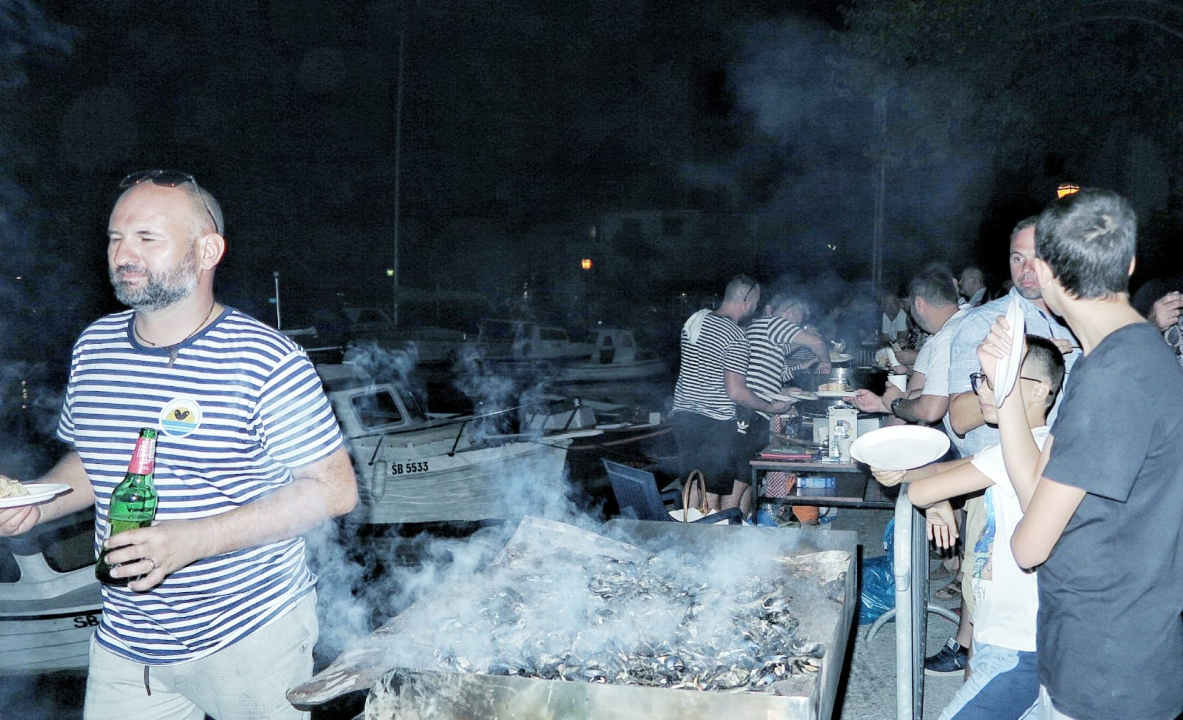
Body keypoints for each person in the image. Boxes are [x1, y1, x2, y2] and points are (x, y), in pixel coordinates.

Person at [0, 170, 359, 719]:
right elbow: (97, 465)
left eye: (148, 238)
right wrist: (37, 499)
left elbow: (334, 492)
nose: (124, 253)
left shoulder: (266, 359)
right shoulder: (95, 348)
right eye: (116, 238)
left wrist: (192, 540)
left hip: (250, 633)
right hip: (126, 639)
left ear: (207, 249)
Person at [1009, 189, 1183, 720]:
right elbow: (1037, 491)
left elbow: (1027, 547)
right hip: (1117, 653)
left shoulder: (1112, 380)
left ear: (1041, 270)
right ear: (1129, 264)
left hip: (1106, 672)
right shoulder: (1121, 354)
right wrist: (1004, 391)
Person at [872, 335, 1065, 720]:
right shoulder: (1023, 448)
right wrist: (907, 473)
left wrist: (932, 495)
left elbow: (929, 486)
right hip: (1015, 639)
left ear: (1040, 390)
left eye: (995, 380)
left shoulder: (1023, 454)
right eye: (982, 378)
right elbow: (946, 472)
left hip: (1020, 646)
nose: (980, 390)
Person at [930, 217, 1080, 677]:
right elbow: (957, 415)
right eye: (1017, 257)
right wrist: (1012, 370)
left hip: (1065, 486)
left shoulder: (1081, 324)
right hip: (998, 487)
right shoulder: (986, 323)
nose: (1026, 268)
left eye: (1036, 257)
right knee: (988, 627)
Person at [671, 275, 792, 512]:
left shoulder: (694, 320)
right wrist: (769, 407)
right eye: (756, 302)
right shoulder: (736, 336)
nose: (756, 308)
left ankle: (687, 541)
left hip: (683, 417)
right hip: (715, 423)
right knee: (713, 493)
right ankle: (710, 545)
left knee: (693, 485)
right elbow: (736, 392)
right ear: (747, 301)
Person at [733, 291, 829, 522]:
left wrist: (803, 367)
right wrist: (826, 361)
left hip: (757, 406)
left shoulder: (765, 329)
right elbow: (816, 342)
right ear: (788, 312)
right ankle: (730, 524)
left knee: (750, 476)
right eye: (799, 318)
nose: (800, 324)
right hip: (751, 408)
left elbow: (776, 371)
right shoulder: (773, 323)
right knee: (740, 477)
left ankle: (745, 523)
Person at [853, 263, 968, 426]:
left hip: (967, 448)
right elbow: (935, 393)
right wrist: (881, 403)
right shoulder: (967, 319)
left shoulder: (946, 336)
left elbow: (930, 410)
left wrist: (895, 404)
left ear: (919, 304)